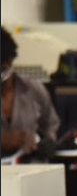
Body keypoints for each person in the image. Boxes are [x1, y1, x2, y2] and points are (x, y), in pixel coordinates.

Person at [0, 27, 60, 161]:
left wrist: (49, 141)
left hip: (29, 164)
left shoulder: (32, 88)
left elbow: (51, 123)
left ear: (8, 62)